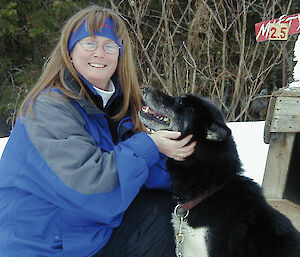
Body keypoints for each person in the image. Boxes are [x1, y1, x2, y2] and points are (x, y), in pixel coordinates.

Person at [0, 5, 196, 257]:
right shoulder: (49, 108)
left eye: (109, 46)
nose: (100, 54)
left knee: (162, 208)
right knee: (154, 216)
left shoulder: (113, 106)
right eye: (89, 44)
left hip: (83, 233)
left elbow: (142, 172)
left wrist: (196, 176)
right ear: (70, 52)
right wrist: (151, 145)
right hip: (41, 244)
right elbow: (91, 186)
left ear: (119, 54)